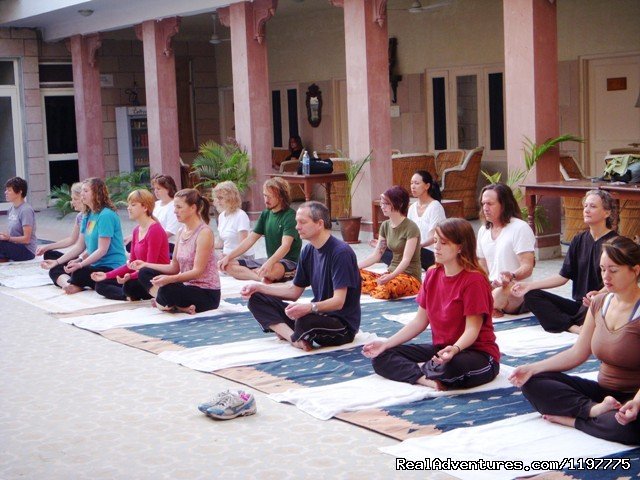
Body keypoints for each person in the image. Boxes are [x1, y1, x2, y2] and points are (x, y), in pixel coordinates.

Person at [509, 236, 640, 445]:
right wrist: (533, 368)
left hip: (635, 396)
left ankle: (575, 420)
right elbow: (577, 353)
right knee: (532, 382)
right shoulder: (599, 303)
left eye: (613, 270)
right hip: (603, 394)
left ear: (635, 270)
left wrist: (636, 402)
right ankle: (593, 410)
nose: (606, 276)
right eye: (602, 269)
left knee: (631, 428)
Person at [362, 218, 499, 391]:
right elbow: (419, 321)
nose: (437, 247)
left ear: (460, 247)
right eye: (435, 241)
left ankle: (430, 372)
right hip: (441, 350)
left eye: (443, 242)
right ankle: (426, 378)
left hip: (475, 353)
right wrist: (386, 343)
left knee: (450, 368)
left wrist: (455, 349)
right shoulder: (433, 274)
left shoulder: (474, 280)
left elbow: (472, 329)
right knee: (382, 356)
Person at [241, 201, 361, 351]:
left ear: (320, 224)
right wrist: (259, 287)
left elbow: (338, 302)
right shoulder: (308, 251)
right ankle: (295, 338)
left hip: (341, 325)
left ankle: (292, 335)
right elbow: (293, 292)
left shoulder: (341, 252)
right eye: (297, 222)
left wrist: (310, 307)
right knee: (256, 299)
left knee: (304, 320)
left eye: (302, 222)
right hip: (317, 315)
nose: (297, 227)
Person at [512, 190, 618, 333]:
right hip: (580, 306)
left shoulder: (615, 243)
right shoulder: (578, 240)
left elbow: (619, 282)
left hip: (603, 304)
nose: (586, 210)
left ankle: (571, 323)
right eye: (585, 206)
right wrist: (529, 285)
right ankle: (574, 327)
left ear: (607, 213)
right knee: (531, 295)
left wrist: (598, 295)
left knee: (592, 310)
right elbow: (563, 277)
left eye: (592, 206)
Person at [131, 188, 220, 314]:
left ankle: (165, 303)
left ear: (193, 208)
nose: (175, 211)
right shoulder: (181, 231)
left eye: (179, 207)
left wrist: (170, 279)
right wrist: (146, 264)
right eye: (174, 207)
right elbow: (174, 267)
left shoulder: (204, 233)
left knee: (168, 289)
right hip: (186, 286)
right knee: (144, 272)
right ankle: (169, 303)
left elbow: (197, 272)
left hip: (206, 293)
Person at [45, 178, 126, 294]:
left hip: (110, 267)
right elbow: (80, 246)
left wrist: (80, 264)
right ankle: (69, 285)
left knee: (79, 272)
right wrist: (57, 262)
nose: (82, 194)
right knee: (56, 268)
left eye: (86, 191)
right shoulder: (87, 215)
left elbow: (102, 250)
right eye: (82, 191)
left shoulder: (106, 215)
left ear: (97, 193)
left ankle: (75, 284)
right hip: (92, 264)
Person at [91, 189, 170, 301]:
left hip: (152, 277)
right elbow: (131, 263)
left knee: (130, 285)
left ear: (145, 207)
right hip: (138, 274)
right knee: (101, 284)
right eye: (129, 205)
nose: (128, 208)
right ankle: (128, 295)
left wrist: (129, 277)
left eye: (133, 205)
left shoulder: (155, 230)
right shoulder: (136, 230)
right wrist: (106, 275)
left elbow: (148, 267)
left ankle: (130, 293)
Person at [219, 177, 301, 283]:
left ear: (281, 197)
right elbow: (250, 240)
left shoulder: (290, 216)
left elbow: (285, 246)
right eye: (265, 195)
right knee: (228, 265)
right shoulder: (265, 214)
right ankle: (260, 277)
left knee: (271, 271)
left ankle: (261, 274)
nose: (266, 200)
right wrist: (228, 257)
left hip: (288, 263)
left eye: (270, 197)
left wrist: (269, 263)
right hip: (269, 260)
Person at [476, 183, 535, 316]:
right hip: (493, 287)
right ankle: (491, 306)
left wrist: (511, 276)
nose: (485, 208)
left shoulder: (520, 228)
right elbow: (482, 265)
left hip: (516, 291)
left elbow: (527, 266)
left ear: (504, 205)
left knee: (499, 293)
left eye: (490, 204)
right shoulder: (483, 231)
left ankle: (490, 306)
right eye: (483, 204)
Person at [359, 186, 421, 299]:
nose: (382, 207)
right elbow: (376, 255)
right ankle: (374, 286)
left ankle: (373, 286)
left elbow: (406, 260)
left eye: (386, 203)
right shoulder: (385, 225)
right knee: (353, 275)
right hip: (390, 274)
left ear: (399, 204)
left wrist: (391, 277)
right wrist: (353, 266)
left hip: (409, 277)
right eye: (382, 203)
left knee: (387, 288)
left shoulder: (411, 228)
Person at [37, 182, 85, 263]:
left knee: (74, 272)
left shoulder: (96, 217)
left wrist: (80, 260)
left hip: (87, 258)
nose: (71, 202)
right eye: (72, 199)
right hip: (81, 257)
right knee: (49, 254)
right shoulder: (80, 217)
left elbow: (83, 247)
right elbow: (71, 239)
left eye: (75, 199)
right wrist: (47, 247)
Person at [212, 181, 254, 262]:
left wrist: (228, 257)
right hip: (226, 257)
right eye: (217, 198)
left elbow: (243, 246)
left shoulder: (241, 216)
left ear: (231, 198)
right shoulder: (221, 216)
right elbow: (220, 243)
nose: (217, 201)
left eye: (221, 198)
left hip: (242, 259)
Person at [0, 177, 37, 262]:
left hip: (27, 251)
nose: (6, 192)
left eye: (9, 190)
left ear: (19, 192)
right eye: (6, 190)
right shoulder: (11, 209)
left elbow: (26, 239)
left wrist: (8, 238)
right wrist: (4, 236)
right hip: (15, 246)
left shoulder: (26, 210)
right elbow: (12, 234)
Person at [150, 174, 180, 255]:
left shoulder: (175, 206)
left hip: (170, 244)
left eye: (158, 189)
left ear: (168, 189)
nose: (155, 191)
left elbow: (169, 232)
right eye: (154, 189)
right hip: (155, 240)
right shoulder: (156, 204)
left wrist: (148, 239)